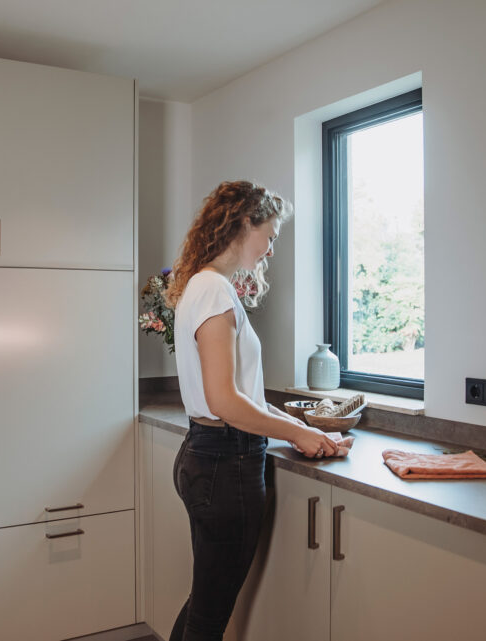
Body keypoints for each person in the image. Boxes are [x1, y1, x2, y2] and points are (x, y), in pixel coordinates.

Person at [163, 180, 341, 641]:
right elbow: (224, 401)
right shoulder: (214, 291)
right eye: (272, 236)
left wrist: (298, 426)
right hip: (227, 461)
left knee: (203, 603)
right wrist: (296, 435)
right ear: (245, 222)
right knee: (208, 614)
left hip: (207, 456)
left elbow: (242, 394)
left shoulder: (203, 286)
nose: (271, 249)